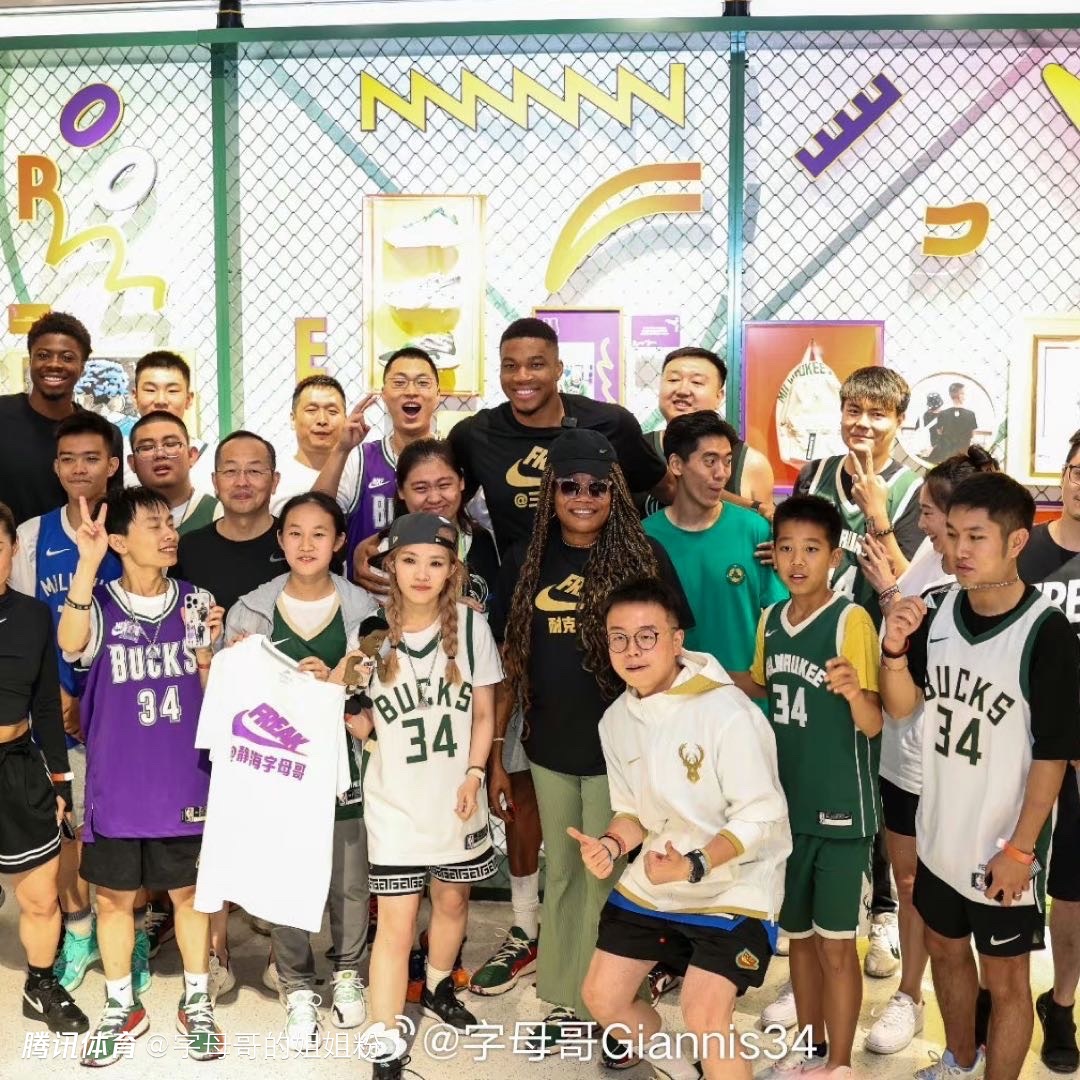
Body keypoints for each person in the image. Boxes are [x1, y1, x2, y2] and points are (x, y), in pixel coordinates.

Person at [492, 427, 693, 1052]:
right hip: (549, 747)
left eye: (597, 487)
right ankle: (563, 996)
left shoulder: (644, 558)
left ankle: (611, 1005)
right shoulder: (527, 557)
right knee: (562, 874)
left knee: (609, 877)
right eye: (569, 485)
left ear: (615, 492)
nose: (583, 497)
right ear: (550, 492)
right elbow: (509, 661)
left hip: (620, 753)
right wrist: (497, 753)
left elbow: (674, 650)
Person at [879, 472, 1080, 1080]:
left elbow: (1052, 756)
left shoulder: (1046, 631)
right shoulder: (937, 610)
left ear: (1016, 542)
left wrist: (1021, 848)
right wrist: (893, 652)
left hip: (1001, 845)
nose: (959, 549)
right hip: (939, 830)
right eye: (952, 534)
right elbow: (902, 707)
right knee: (945, 952)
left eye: (976, 536)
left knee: (1008, 980)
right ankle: (959, 1061)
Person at [577, 576, 790, 1080]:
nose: (632, 650)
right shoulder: (615, 720)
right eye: (619, 638)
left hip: (736, 883)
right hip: (660, 875)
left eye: (647, 636)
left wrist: (695, 864)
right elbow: (633, 813)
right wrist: (611, 844)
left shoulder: (727, 712)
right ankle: (682, 1070)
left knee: (705, 1016)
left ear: (677, 640)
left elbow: (762, 815)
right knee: (602, 997)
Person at [56, 487, 225, 1067]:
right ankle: (121, 1005)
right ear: (120, 541)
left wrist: (208, 655)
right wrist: (86, 562)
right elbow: (70, 645)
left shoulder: (198, 601)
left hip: (185, 779)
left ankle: (196, 1001)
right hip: (119, 784)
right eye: (153, 524)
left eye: (170, 522)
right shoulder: (97, 602)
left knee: (190, 896)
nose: (169, 532)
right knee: (113, 900)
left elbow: (214, 697)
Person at [763, 365, 921, 980]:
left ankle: (883, 913)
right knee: (822, 777)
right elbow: (801, 539)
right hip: (818, 647)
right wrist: (784, 551)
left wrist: (878, 514)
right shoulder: (816, 473)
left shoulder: (913, 486)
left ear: (899, 420)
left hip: (880, 648)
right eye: (854, 410)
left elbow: (914, 580)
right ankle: (808, 913)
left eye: (878, 414)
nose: (863, 424)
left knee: (873, 784)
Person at [347, 512, 502, 1080]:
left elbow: (484, 714)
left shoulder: (471, 626)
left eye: (435, 563)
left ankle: (437, 985)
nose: (421, 573)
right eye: (409, 560)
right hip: (395, 801)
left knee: (453, 902)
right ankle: (385, 1039)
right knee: (395, 923)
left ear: (451, 570)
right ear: (390, 565)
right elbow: (350, 704)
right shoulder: (370, 632)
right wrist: (357, 720)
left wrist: (475, 775)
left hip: (457, 795)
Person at [857, 447, 998, 1057]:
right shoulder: (926, 559)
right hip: (906, 759)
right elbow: (899, 661)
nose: (924, 525)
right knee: (910, 880)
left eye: (930, 512)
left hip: (966, 768)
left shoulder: (990, 586)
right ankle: (910, 995)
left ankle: (987, 1006)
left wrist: (891, 595)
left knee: (975, 890)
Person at [225, 491, 377, 1050]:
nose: (306, 543)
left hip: (346, 768)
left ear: (338, 542)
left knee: (350, 881)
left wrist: (337, 681)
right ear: (280, 539)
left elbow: (379, 681)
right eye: (294, 532)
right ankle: (296, 985)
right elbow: (233, 696)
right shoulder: (250, 611)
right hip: (281, 773)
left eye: (319, 533)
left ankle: (348, 973)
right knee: (287, 877)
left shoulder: (366, 609)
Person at [751, 495, 882, 1079]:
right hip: (788, 811)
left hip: (842, 813)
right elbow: (760, 688)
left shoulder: (851, 620)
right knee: (799, 941)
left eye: (811, 549)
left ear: (834, 556)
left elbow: (874, 723)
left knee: (836, 945)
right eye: (786, 548)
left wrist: (854, 692)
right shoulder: (770, 621)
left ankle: (840, 1063)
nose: (797, 560)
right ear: (773, 553)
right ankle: (809, 1051)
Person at [11, 411, 122, 995]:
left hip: (123, 705)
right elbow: (25, 626)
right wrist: (55, 697)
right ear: (55, 468)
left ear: (113, 465)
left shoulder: (132, 526)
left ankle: (126, 928)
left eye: (92, 458)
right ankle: (79, 929)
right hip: (59, 708)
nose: (80, 469)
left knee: (123, 825)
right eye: (69, 459)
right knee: (69, 828)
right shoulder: (32, 536)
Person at [445, 317, 665, 557]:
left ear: (558, 369)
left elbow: (667, 490)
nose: (521, 376)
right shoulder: (476, 434)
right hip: (519, 576)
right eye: (510, 366)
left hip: (605, 574)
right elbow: (444, 497)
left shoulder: (611, 424)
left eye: (536, 365)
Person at [0, 500, 89, 1035]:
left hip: (17, 764)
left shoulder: (34, 614)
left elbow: (45, 708)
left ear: (13, 549)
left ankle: (40, 984)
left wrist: (60, 780)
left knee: (39, 893)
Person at [644, 412, 787, 701]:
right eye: (709, 461)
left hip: (745, 701)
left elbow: (782, 615)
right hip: (672, 700)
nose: (721, 473)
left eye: (727, 461)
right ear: (676, 464)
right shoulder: (645, 537)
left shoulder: (754, 530)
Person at [1017, 429, 1080, 1074]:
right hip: (1020, 743)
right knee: (1006, 864)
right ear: (1063, 475)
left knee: (1072, 886)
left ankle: (1060, 1002)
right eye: (1079, 470)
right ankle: (997, 985)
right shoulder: (1026, 549)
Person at [313, 347, 439, 581]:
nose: (411, 391)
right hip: (368, 599)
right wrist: (340, 450)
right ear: (384, 394)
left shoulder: (453, 459)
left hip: (434, 594)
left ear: (438, 394)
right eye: (399, 383)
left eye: (422, 383)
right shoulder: (359, 458)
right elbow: (314, 516)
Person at [0, 311, 123, 525]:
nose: (54, 364)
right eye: (43, 355)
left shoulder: (104, 434)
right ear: (31, 361)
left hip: (80, 544)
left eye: (67, 357)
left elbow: (112, 508)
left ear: (82, 368)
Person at [645, 346, 775, 519]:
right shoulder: (634, 449)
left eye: (697, 382)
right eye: (673, 379)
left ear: (719, 396)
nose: (682, 390)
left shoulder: (752, 464)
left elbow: (764, 527)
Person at [174, 431, 284, 613]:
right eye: (230, 471)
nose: (242, 482)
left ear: (274, 481)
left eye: (254, 471)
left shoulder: (296, 545)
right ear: (215, 482)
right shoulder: (189, 548)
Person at [270, 375, 360, 516]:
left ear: (345, 419)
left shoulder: (361, 471)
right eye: (311, 410)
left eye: (332, 412)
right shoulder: (276, 480)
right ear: (293, 419)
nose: (322, 420)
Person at [128, 412, 221, 535]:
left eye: (170, 444)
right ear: (132, 463)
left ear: (191, 456)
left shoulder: (219, 514)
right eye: (147, 447)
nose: (160, 454)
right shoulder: (121, 518)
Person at [130, 351, 213, 489]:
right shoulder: (117, 456)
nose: (161, 400)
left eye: (172, 391)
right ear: (135, 396)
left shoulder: (212, 460)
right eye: (150, 390)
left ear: (188, 399)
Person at [927, 383, 978, 464]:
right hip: (963, 455)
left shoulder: (942, 413)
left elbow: (939, 432)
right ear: (959, 395)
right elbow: (972, 435)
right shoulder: (971, 414)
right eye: (963, 393)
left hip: (946, 454)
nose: (965, 396)